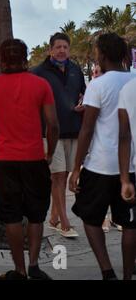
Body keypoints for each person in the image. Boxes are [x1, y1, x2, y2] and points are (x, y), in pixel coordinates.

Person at [0, 39, 59, 280]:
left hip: (4, 162)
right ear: (25, 59)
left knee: (11, 215)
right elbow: (53, 125)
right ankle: (34, 265)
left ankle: (20, 270)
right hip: (35, 159)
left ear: (1, 59)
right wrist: (50, 153)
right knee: (36, 214)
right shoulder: (41, 85)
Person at [69, 33, 136, 280]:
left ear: (103, 56)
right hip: (131, 166)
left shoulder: (98, 85)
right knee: (131, 224)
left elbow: (86, 129)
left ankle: (107, 271)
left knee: (90, 217)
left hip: (100, 164)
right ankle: (128, 275)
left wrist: (76, 168)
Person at [32, 32, 86, 238]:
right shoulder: (38, 72)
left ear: (69, 50)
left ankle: (53, 219)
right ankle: (65, 223)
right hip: (49, 133)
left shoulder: (76, 70)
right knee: (57, 177)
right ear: (50, 50)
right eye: (58, 47)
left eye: (65, 47)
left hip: (73, 128)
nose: (62, 50)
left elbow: (83, 92)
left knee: (65, 175)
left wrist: (82, 105)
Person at [118, 76, 136, 279]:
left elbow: (124, 136)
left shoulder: (129, 89)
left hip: (134, 168)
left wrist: (124, 179)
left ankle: (127, 276)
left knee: (131, 226)